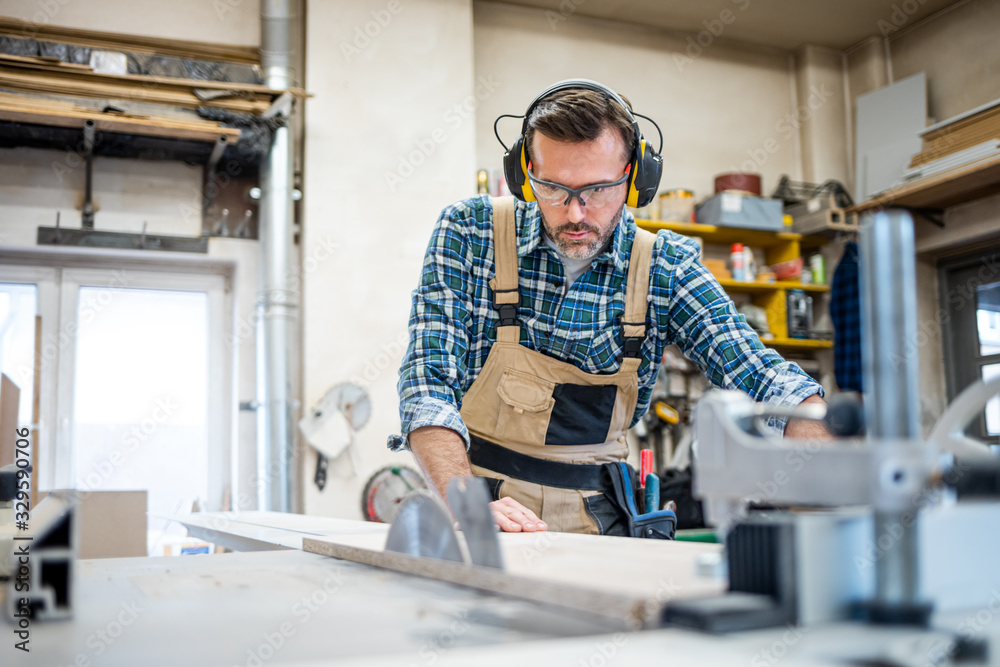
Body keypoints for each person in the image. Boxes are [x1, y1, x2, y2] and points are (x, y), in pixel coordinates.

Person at [387, 79, 829, 536]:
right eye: (554, 188)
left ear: (635, 178)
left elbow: (762, 377)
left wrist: (837, 465)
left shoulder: (665, 267)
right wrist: (465, 502)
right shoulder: (470, 233)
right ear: (524, 173)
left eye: (598, 190)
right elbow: (426, 381)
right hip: (477, 507)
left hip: (600, 522)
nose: (576, 213)